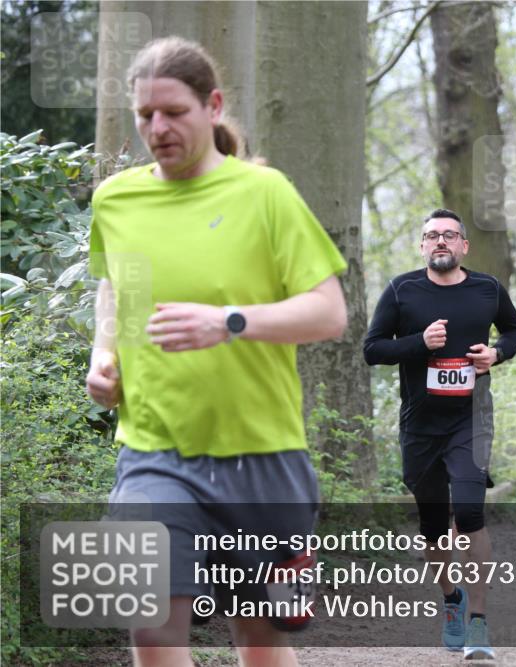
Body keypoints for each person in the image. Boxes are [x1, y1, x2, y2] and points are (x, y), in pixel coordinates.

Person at [85, 37, 348, 667]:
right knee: (150, 627)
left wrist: (230, 322)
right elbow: (113, 286)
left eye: (174, 111)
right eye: (146, 115)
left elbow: (329, 312)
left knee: (259, 639)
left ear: (212, 106)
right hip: (154, 454)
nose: (158, 127)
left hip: (262, 457)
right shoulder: (116, 199)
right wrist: (102, 356)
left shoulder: (264, 194)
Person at [363, 209, 516, 660]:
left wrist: (496, 354)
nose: (440, 242)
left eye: (449, 235)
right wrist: (419, 343)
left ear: (463, 246)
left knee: (470, 513)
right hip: (420, 424)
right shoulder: (401, 289)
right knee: (434, 524)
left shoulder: (488, 289)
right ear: (421, 246)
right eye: (432, 235)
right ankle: (450, 598)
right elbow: (372, 349)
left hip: (471, 419)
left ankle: (478, 620)